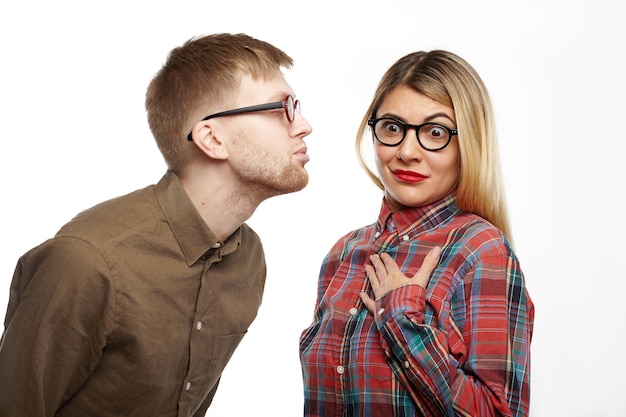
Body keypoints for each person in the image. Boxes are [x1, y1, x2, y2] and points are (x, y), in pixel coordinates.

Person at [0, 33, 312, 417]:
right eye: (281, 109)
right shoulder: (86, 261)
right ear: (212, 138)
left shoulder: (247, 258)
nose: (304, 126)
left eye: (297, 107)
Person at [300, 50, 534, 416]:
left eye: (435, 132)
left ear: (468, 144)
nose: (407, 151)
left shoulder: (481, 252)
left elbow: (500, 413)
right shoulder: (343, 254)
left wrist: (402, 320)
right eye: (393, 127)